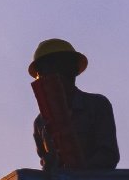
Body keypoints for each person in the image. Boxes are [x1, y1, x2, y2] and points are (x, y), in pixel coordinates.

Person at [30, 39, 120, 171]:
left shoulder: (96, 105)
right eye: (45, 72)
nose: (54, 76)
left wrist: (78, 173)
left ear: (73, 71)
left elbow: (108, 155)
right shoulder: (40, 122)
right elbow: (46, 164)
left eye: (60, 67)